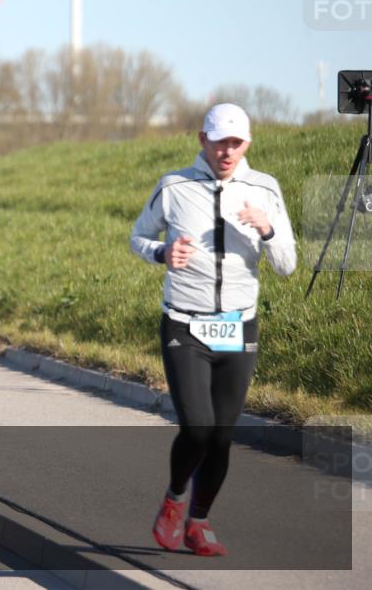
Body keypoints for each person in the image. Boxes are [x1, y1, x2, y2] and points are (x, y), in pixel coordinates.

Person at [130, 103, 296, 556]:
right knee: (198, 427)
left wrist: (267, 230)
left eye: (236, 143)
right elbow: (137, 237)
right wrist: (163, 253)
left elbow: (287, 264)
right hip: (185, 322)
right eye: (219, 141)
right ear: (202, 139)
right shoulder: (174, 186)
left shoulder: (265, 188)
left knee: (223, 434)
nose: (227, 151)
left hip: (239, 327)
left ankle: (198, 524)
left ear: (247, 144)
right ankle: (174, 500)